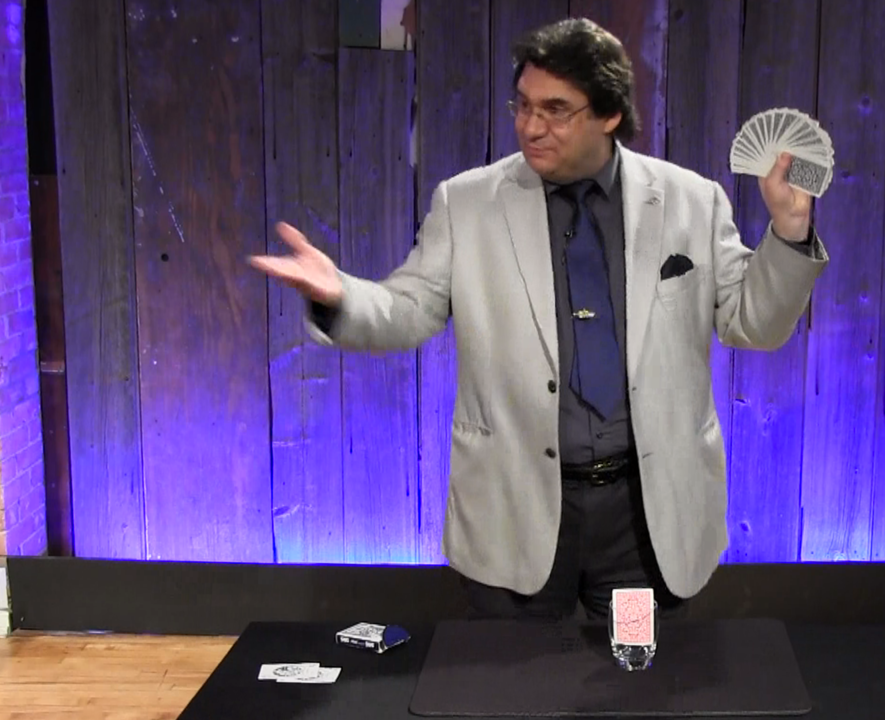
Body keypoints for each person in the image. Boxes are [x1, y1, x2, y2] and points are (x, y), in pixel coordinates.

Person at [248, 18, 828, 622]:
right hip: (513, 509)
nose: (530, 126)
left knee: (634, 669)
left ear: (609, 114)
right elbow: (409, 308)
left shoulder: (692, 201)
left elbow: (754, 323)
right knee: (516, 674)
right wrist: (340, 296)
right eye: (523, 106)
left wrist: (789, 232)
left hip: (644, 522)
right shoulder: (466, 203)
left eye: (555, 111)